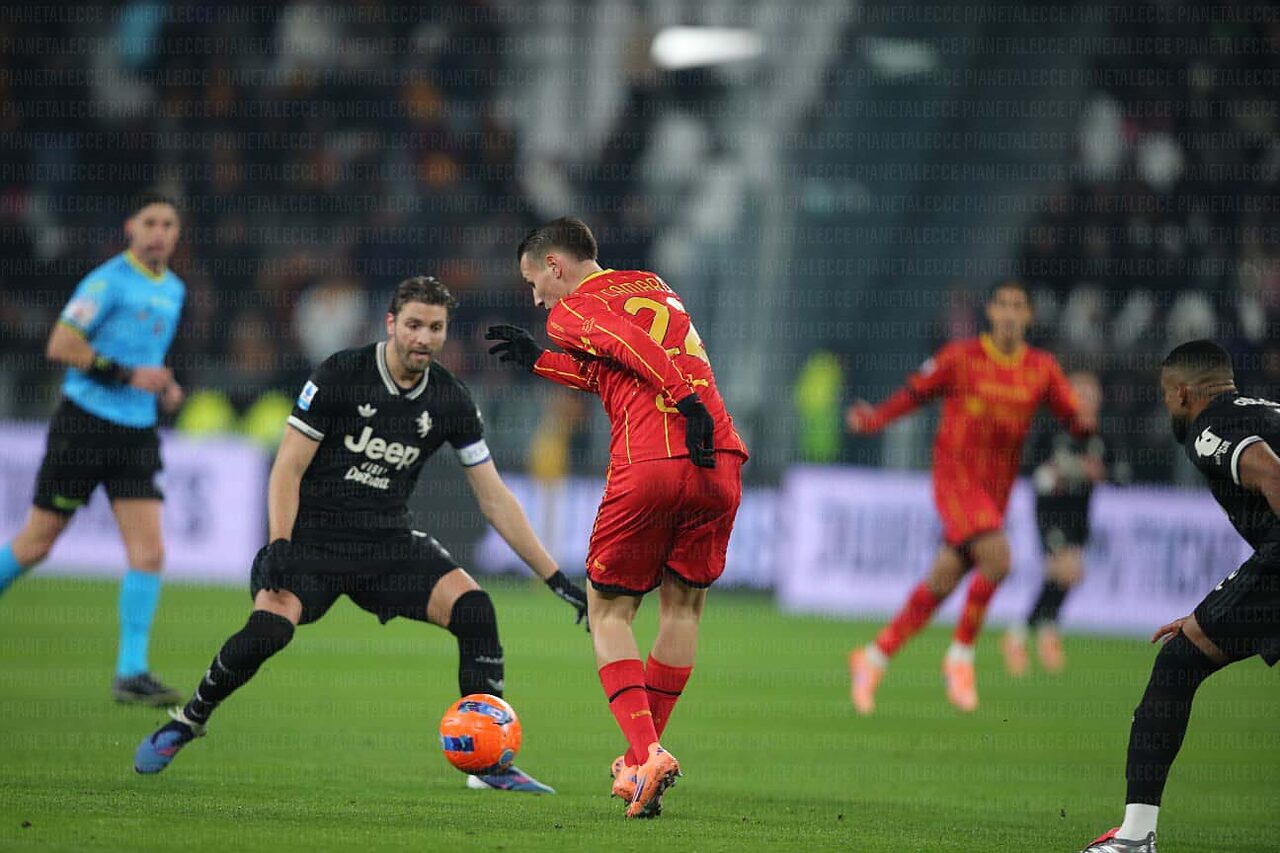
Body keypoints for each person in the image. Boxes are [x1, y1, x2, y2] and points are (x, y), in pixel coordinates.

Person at [134, 276, 587, 795]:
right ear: (391, 323)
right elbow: (288, 467)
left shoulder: (450, 398)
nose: (423, 338)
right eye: (413, 325)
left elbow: (495, 497)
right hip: (314, 541)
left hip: (386, 545)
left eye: (435, 328)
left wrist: (554, 577)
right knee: (269, 629)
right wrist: (279, 542)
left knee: (475, 610)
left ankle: (486, 765)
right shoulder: (342, 374)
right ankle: (188, 720)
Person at [487, 217, 748, 818]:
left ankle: (646, 753)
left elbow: (633, 348)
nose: (536, 298)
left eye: (533, 281)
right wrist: (540, 363)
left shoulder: (571, 310)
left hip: (652, 458)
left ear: (555, 265)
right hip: (719, 459)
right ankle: (638, 764)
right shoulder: (652, 285)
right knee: (683, 608)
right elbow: (615, 368)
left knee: (608, 610)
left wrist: (685, 402)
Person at [846, 280, 1094, 714]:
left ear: (1029, 316)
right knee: (999, 559)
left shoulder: (1041, 369)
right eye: (1003, 304)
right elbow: (915, 394)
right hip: (955, 480)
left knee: (942, 581)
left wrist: (1085, 424)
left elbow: (1074, 419)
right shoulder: (960, 358)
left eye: (1019, 306)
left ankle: (873, 657)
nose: (1010, 313)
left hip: (996, 491)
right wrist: (874, 420)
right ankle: (960, 657)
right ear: (991, 312)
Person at [1079, 340, 1280, 853]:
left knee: (1177, 663)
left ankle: (1135, 836)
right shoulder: (1267, 410)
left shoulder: (1208, 429)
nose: (1167, 404)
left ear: (1184, 393)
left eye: (1166, 394)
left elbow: (1271, 471)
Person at [0, 192, 187, 705]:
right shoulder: (106, 282)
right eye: (150, 222)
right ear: (131, 227)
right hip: (84, 427)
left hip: (136, 433)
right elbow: (61, 345)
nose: (159, 232)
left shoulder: (173, 289)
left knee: (150, 552)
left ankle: (131, 672)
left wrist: (163, 384)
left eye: (168, 224)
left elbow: (145, 355)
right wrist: (127, 375)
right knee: (37, 544)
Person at [1002, 370, 1123, 675]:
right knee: (1070, 570)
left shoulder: (1100, 437)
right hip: (1050, 514)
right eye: (1080, 396)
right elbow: (1028, 467)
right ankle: (1021, 635)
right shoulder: (1052, 430)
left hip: (1079, 517)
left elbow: (1122, 474)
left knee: (1063, 576)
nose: (1086, 402)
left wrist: (1102, 473)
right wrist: (1050, 475)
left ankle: (1044, 631)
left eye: (1091, 397)